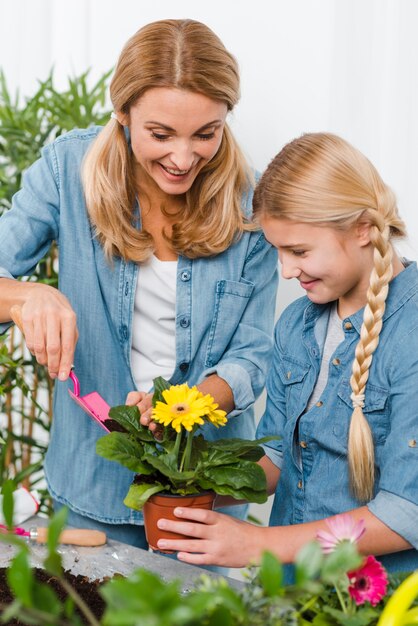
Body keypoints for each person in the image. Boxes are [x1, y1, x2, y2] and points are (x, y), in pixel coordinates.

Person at [0, 19, 278, 548]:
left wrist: (190, 404)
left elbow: (256, 353)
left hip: (204, 502)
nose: (182, 158)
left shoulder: (254, 204)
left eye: (206, 133)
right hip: (91, 493)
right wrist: (25, 296)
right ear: (122, 112)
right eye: (160, 134)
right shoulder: (67, 170)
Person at [155, 132, 418, 576]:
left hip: (370, 603)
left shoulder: (409, 333)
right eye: (279, 250)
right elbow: (278, 457)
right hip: (291, 595)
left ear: (363, 229)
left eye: (298, 251)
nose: (285, 270)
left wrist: (258, 543)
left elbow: (406, 512)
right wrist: (190, 494)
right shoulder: (297, 324)